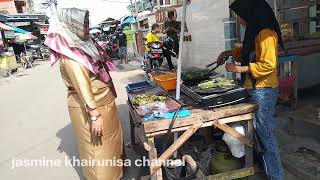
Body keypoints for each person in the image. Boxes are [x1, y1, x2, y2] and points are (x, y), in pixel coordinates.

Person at [45, 8, 123, 180]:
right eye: (83, 24)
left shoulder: (82, 44)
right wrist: (95, 115)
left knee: (110, 145)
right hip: (92, 107)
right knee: (99, 151)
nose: (87, 27)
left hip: (104, 103)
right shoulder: (72, 55)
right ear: (72, 26)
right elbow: (82, 86)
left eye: (88, 23)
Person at [216, 0, 284, 179]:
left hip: (264, 91)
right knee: (258, 133)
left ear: (251, 14)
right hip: (255, 88)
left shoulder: (266, 33)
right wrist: (229, 53)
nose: (239, 20)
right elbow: (248, 52)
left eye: (240, 15)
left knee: (266, 136)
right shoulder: (255, 31)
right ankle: (264, 167)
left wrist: (239, 69)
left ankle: (276, 176)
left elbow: (268, 65)